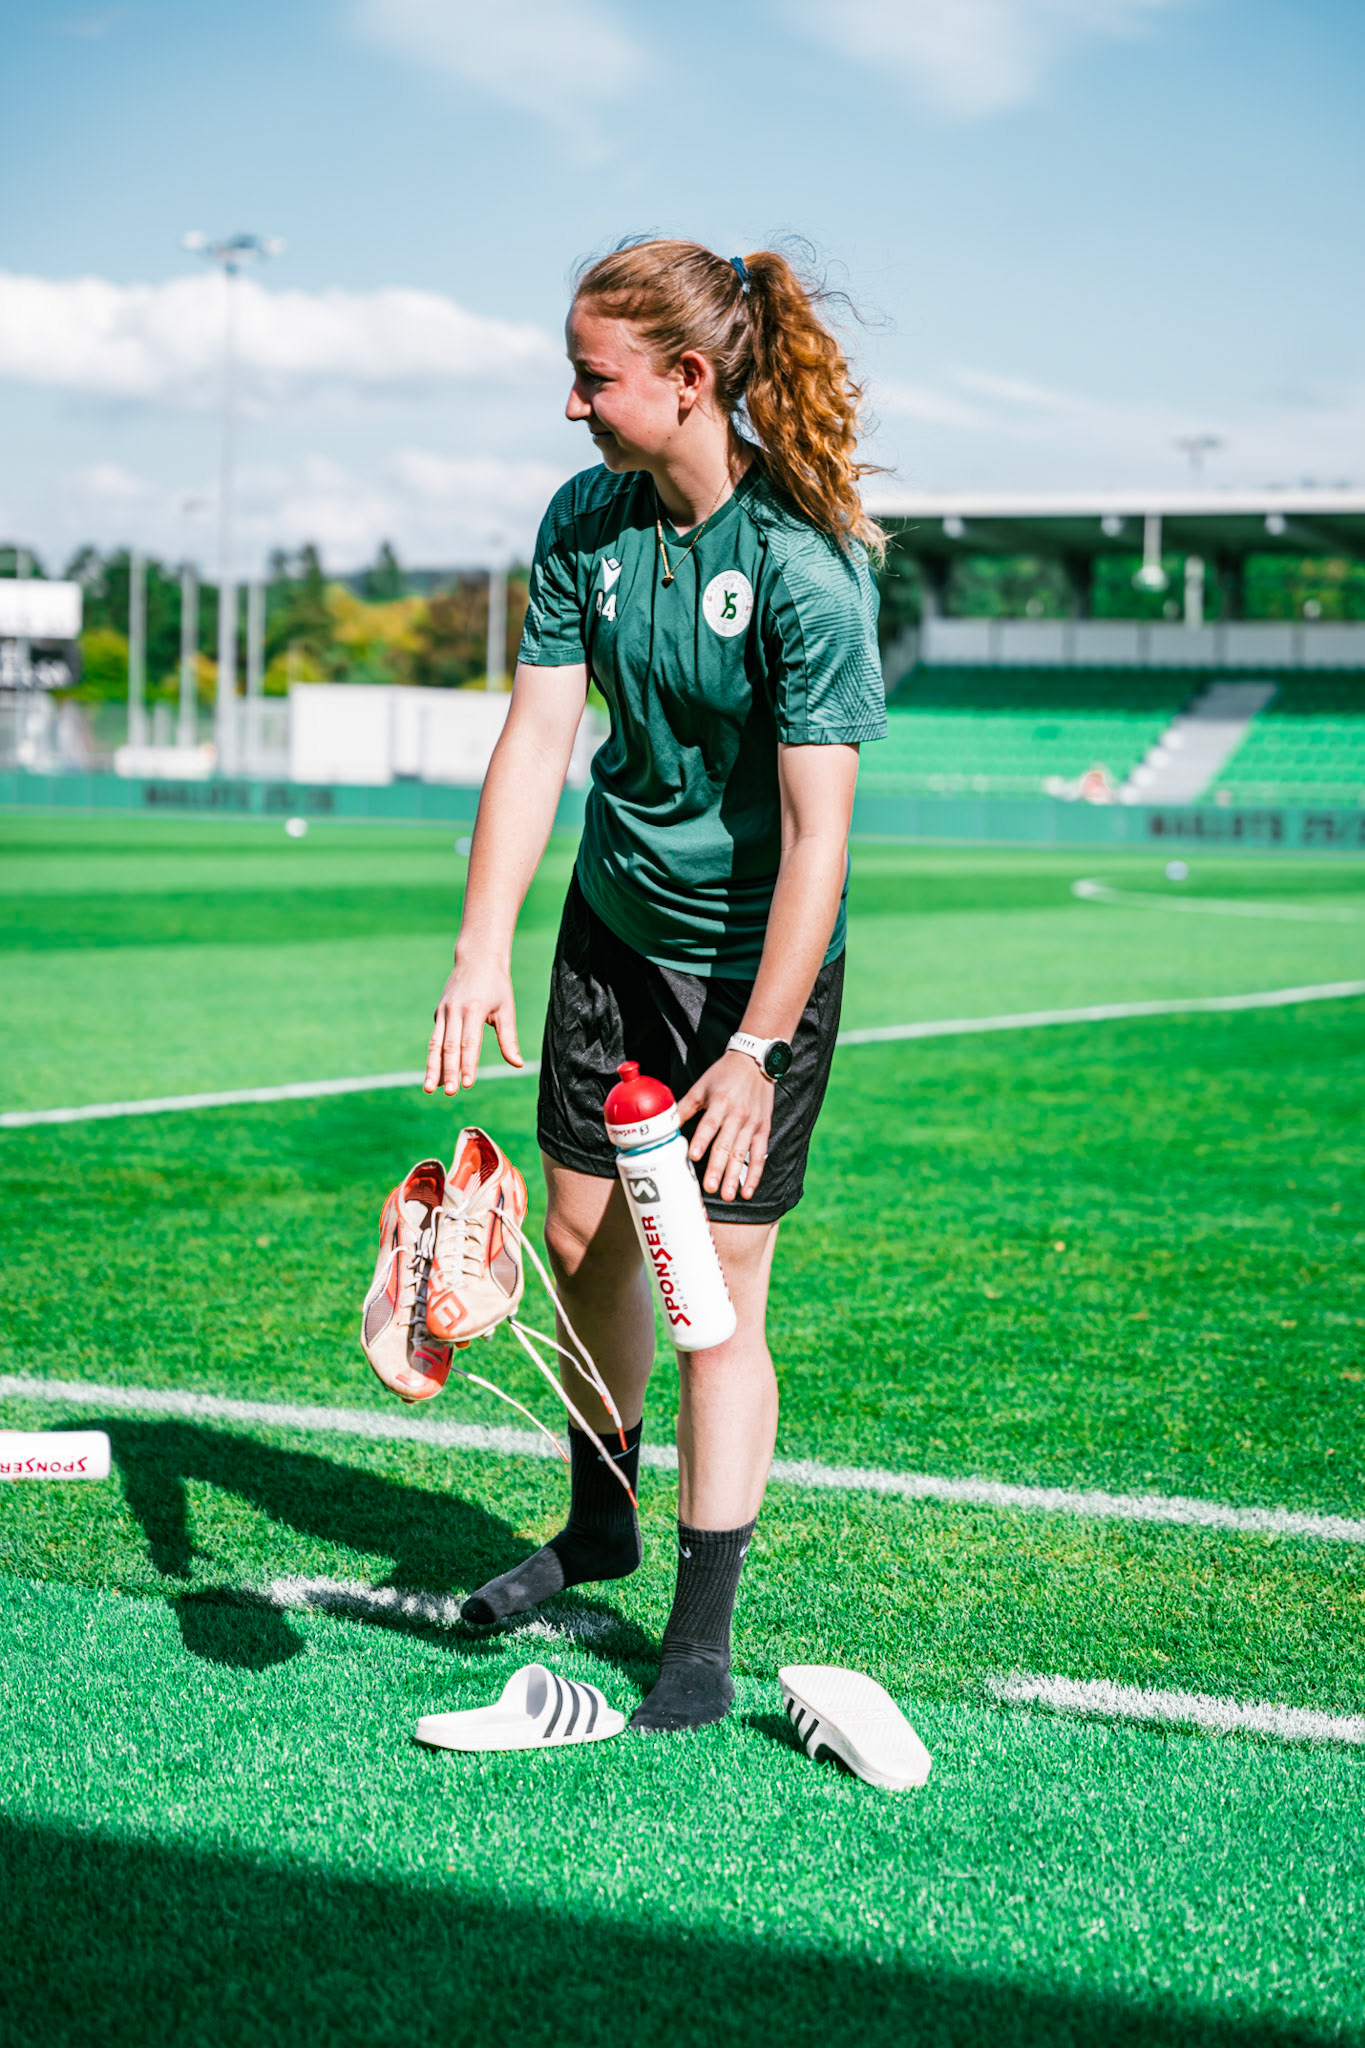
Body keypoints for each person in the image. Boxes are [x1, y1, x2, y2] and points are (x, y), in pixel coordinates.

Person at [423, 239, 886, 1734]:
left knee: (715, 1285)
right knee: (580, 1238)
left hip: (755, 969)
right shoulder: (585, 521)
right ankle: (601, 1520)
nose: (571, 406)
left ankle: (697, 1623)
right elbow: (536, 739)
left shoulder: (806, 563)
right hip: (612, 928)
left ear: (689, 380)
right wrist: (481, 944)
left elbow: (819, 837)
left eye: (594, 378)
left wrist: (757, 1047)